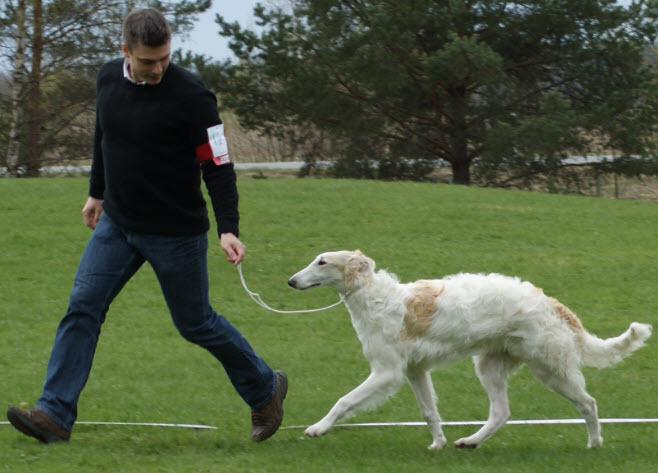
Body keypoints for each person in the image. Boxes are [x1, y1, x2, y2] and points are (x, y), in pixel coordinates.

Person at [6, 8, 286, 444]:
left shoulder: (193, 97)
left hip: (176, 232)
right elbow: (105, 136)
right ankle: (54, 415)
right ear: (125, 52)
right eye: (147, 61)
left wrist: (227, 228)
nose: (158, 69)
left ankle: (265, 388)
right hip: (118, 223)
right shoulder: (107, 79)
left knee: (196, 323)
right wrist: (97, 192)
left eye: (164, 59)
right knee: (83, 306)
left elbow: (218, 165)